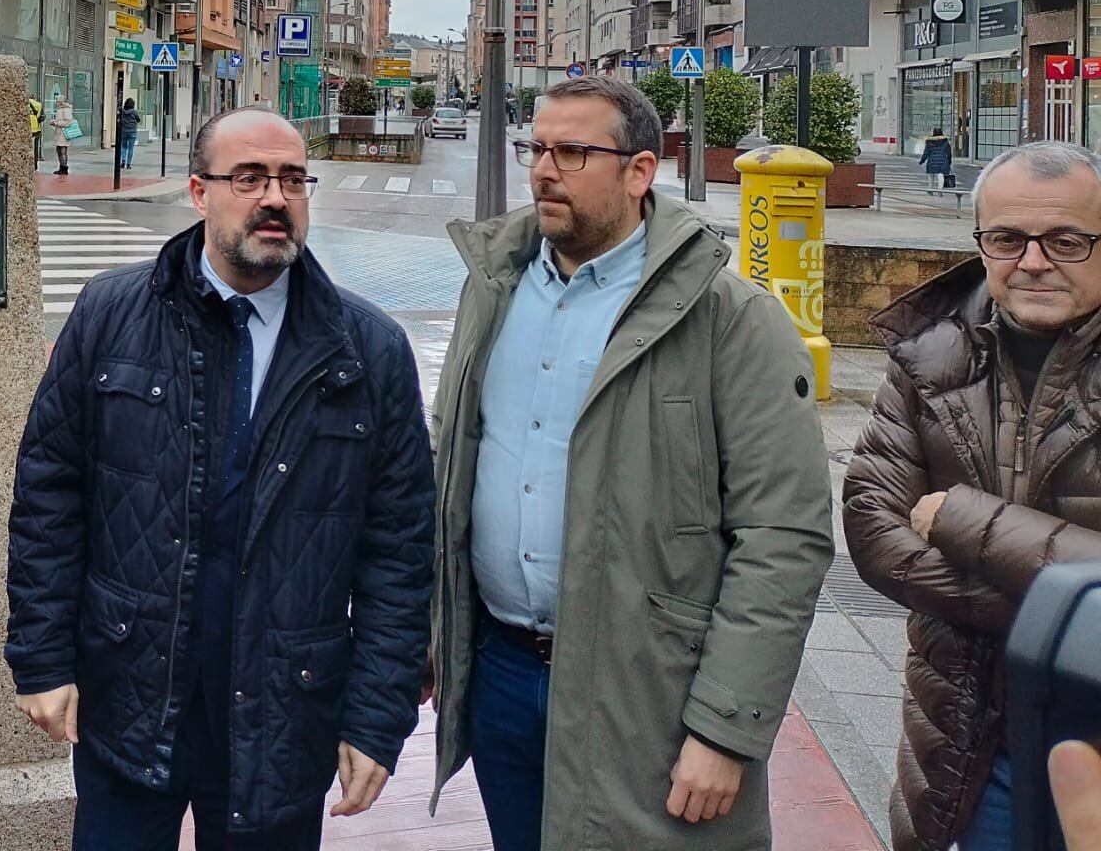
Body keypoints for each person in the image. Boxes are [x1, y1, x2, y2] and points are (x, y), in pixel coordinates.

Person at [6, 105, 434, 849]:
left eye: (293, 179)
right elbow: (50, 491)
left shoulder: (369, 350)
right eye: (250, 178)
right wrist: (41, 658)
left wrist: (377, 716)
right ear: (200, 193)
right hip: (130, 686)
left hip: (283, 708)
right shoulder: (111, 314)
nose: (275, 197)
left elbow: (398, 550)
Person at [430, 75, 832, 851]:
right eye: (535, 148)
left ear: (640, 172)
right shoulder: (494, 289)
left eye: (573, 152)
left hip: (649, 688)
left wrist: (726, 728)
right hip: (504, 673)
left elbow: (784, 538)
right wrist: (435, 628)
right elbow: (454, 463)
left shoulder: (730, 320)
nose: (544, 169)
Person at [843, 140, 1101, 851]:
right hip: (967, 743)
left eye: (1068, 240)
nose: (1034, 260)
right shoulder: (929, 351)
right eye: (1007, 238)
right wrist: (1067, 610)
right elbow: (873, 531)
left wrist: (959, 516)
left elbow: (920, 528)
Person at [51, 93, 75, 176]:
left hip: (63, 133)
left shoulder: (66, 110)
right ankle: (62, 167)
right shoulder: (60, 110)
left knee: (62, 150)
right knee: (59, 150)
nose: (56, 103)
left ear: (60, 102)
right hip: (59, 133)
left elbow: (68, 122)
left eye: (57, 101)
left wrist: (57, 123)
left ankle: (64, 168)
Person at [116, 95, 140, 172]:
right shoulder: (134, 112)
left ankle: (123, 161)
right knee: (131, 148)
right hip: (132, 131)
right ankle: (128, 164)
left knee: (123, 147)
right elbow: (138, 119)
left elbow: (118, 115)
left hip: (124, 131)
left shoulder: (121, 110)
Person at [29, 94, 44, 164]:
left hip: (27, 128)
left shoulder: (23, 104)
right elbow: (42, 117)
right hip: (36, 129)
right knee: (35, 148)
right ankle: (35, 164)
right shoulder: (39, 104)